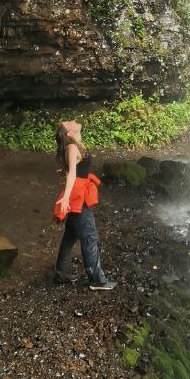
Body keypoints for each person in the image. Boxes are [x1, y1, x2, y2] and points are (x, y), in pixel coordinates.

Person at [52, 119, 116, 290]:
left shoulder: (75, 144)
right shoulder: (72, 147)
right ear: (69, 133)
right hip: (77, 196)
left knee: (71, 235)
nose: (72, 120)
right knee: (90, 236)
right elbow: (72, 174)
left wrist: (65, 169)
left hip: (79, 193)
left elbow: (73, 169)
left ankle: (61, 274)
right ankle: (97, 280)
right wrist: (66, 197)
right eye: (68, 122)